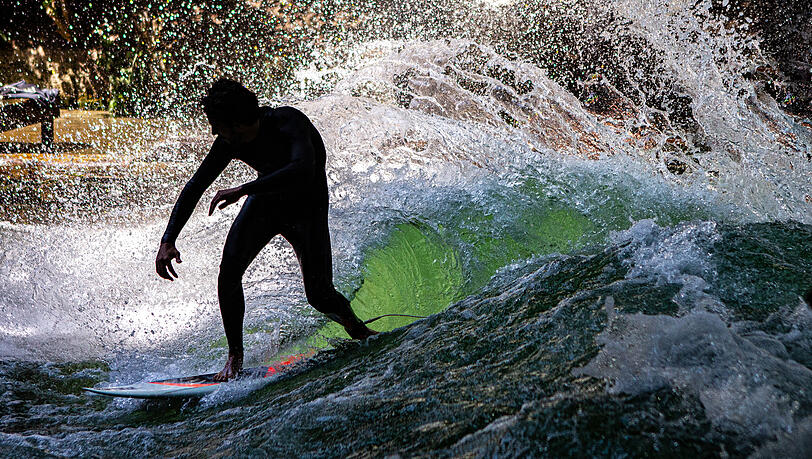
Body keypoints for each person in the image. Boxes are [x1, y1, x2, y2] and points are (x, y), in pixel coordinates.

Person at [155, 78, 377, 381]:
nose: (214, 133)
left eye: (217, 125)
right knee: (229, 272)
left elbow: (303, 168)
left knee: (319, 294)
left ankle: (357, 329)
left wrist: (245, 188)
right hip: (266, 204)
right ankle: (235, 357)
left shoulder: (288, 122)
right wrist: (168, 239)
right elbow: (195, 186)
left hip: (306, 207)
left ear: (236, 122)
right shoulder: (229, 143)